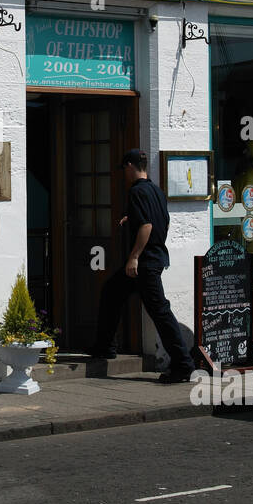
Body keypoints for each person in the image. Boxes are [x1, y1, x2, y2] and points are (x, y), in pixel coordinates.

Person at [89, 149, 196, 383]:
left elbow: (147, 226)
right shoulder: (156, 191)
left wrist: (134, 256)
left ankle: (183, 365)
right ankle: (105, 347)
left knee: (161, 312)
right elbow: (162, 222)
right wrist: (132, 220)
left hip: (143, 264)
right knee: (111, 292)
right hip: (154, 258)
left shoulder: (137, 191)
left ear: (129, 166)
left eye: (124, 169)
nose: (124, 174)